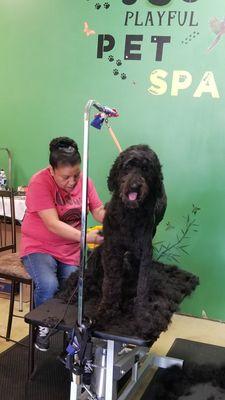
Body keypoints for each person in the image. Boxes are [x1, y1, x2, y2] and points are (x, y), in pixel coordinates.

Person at [20, 137, 105, 351]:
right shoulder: (39, 182)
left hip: (70, 250)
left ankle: (70, 339)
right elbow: (52, 224)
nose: (73, 182)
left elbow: (98, 211)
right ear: (52, 170)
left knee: (74, 288)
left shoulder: (85, 182)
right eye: (66, 177)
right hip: (39, 246)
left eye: (76, 175)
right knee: (49, 284)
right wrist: (87, 237)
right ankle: (44, 325)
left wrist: (119, 214)